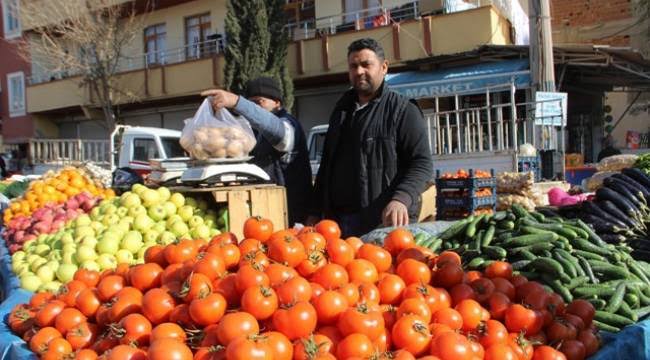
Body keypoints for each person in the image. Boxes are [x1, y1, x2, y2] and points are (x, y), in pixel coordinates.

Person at [308, 38, 433, 237]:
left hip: (383, 222)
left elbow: (422, 163)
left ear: (384, 68)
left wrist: (401, 199)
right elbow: (326, 167)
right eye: (353, 66)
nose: (359, 71)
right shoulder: (340, 112)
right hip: (339, 223)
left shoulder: (403, 110)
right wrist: (314, 213)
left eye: (366, 65)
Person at [201, 77, 312, 226]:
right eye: (250, 103)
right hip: (262, 215)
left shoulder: (289, 124)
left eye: (259, 102)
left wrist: (238, 102)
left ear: (277, 103)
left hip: (291, 216)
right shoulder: (250, 133)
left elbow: (281, 135)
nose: (254, 109)